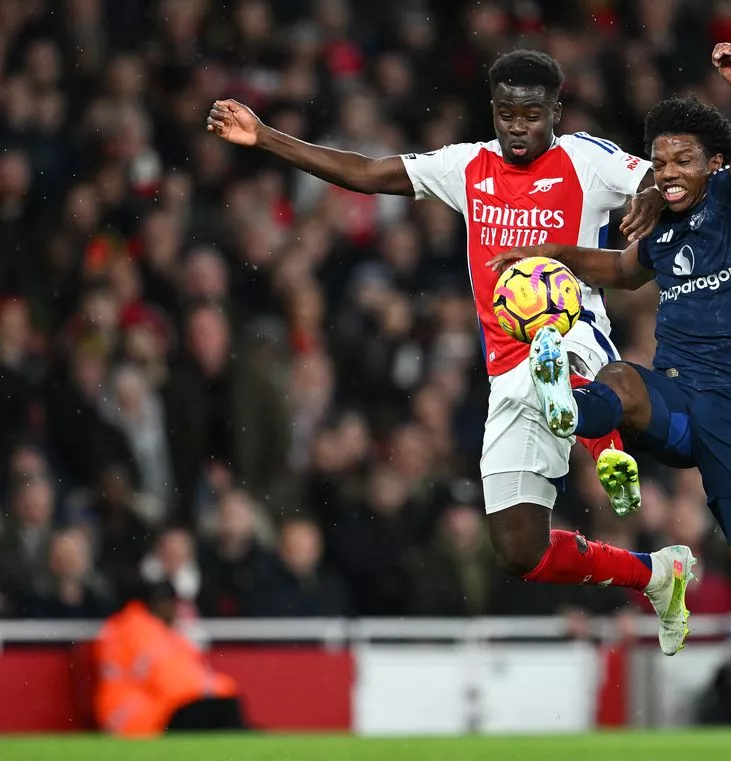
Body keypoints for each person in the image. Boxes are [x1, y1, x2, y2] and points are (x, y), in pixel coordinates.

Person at [206, 51, 692, 639]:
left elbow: (658, 177)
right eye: (507, 113)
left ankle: (607, 446)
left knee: (561, 361)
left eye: (532, 114)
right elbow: (368, 172)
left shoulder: (586, 160)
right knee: (520, 551)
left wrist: (648, 195)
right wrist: (264, 138)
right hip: (506, 376)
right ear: (493, 111)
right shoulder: (467, 167)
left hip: (575, 337)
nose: (518, 125)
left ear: (555, 113)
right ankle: (656, 575)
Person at [489, 44, 731, 699]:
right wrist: (552, 252)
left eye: (683, 158)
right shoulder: (663, 232)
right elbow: (623, 271)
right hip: (681, 396)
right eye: (659, 162)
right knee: (623, 381)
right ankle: (568, 403)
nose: (667, 171)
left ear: (714, 161)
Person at [93, 581, 247, 736]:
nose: (176, 611)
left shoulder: (156, 630)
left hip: (147, 707)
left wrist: (221, 689)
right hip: (131, 716)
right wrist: (213, 690)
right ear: (161, 604)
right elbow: (168, 678)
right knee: (211, 708)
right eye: (174, 605)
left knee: (220, 705)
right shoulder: (139, 631)